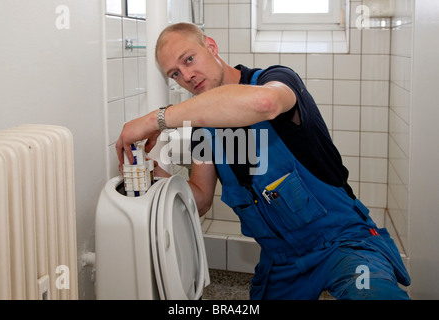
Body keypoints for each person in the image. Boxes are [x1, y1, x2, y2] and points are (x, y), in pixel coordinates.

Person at [116, 22, 411, 300]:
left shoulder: (276, 79)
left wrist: (156, 120)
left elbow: (264, 104)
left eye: (189, 59)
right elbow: (201, 198)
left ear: (211, 46)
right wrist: (154, 174)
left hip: (344, 244)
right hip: (282, 262)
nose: (186, 76)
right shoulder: (202, 130)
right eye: (175, 74)